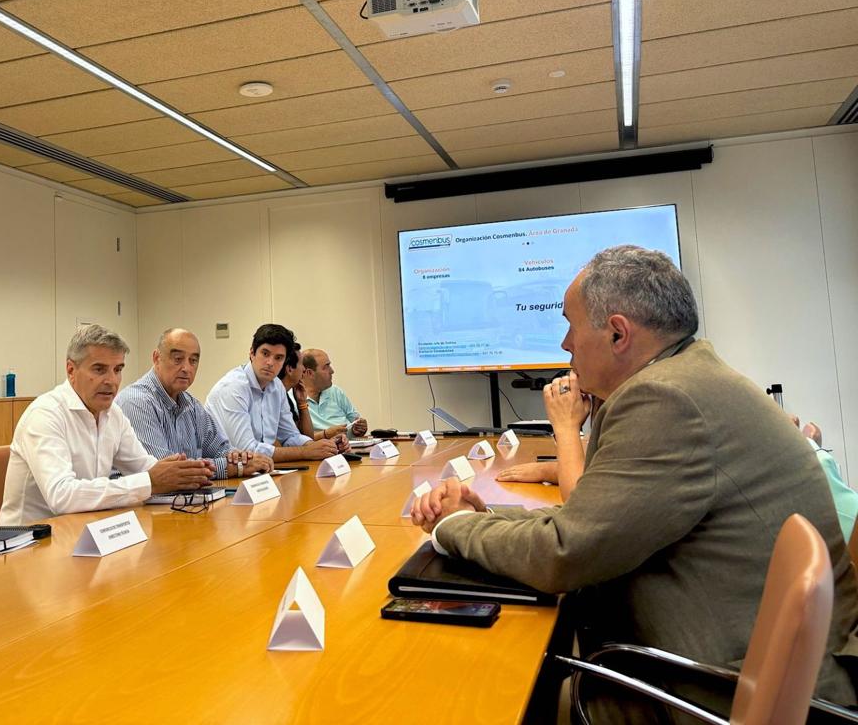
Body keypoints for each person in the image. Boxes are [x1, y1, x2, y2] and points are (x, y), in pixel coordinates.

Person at [411, 246, 858, 720]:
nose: (565, 344)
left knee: (475, 696)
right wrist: (484, 514)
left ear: (618, 333)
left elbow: (566, 552)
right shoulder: (688, 377)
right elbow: (595, 518)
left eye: (571, 326)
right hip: (745, 668)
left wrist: (453, 527)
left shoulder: (666, 399)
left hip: (708, 692)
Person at [0, 324, 213, 524]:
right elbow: (62, 496)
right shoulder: (46, 415)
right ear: (71, 370)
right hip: (32, 542)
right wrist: (149, 481)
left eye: (117, 370)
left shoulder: (113, 414)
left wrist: (184, 474)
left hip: (86, 530)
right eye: (99, 370)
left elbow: (144, 467)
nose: (111, 381)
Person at [117, 328, 272, 480]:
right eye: (178, 359)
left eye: (193, 361)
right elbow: (166, 472)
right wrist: (235, 467)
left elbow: (221, 449)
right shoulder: (136, 402)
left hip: (187, 495)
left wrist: (241, 458)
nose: (186, 368)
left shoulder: (192, 405)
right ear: (157, 358)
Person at [206, 324, 348, 463]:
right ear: (252, 353)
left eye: (278, 358)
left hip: (260, 469)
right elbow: (246, 450)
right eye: (265, 353)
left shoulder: (276, 386)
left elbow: (290, 436)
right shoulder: (233, 387)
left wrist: (323, 446)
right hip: (223, 472)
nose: (270, 362)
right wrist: (305, 451)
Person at [279, 346, 343, 441]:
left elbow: (305, 438)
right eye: (301, 364)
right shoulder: (274, 397)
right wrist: (323, 439)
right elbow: (274, 445)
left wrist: (302, 403)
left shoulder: (287, 396)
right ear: (290, 369)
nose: (304, 369)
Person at [300, 348, 368, 437]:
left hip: (351, 444)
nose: (332, 371)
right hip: (323, 445)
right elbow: (297, 439)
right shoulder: (294, 399)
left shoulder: (336, 391)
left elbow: (355, 421)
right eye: (326, 367)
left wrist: (359, 428)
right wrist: (326, 434)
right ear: (310, 373)